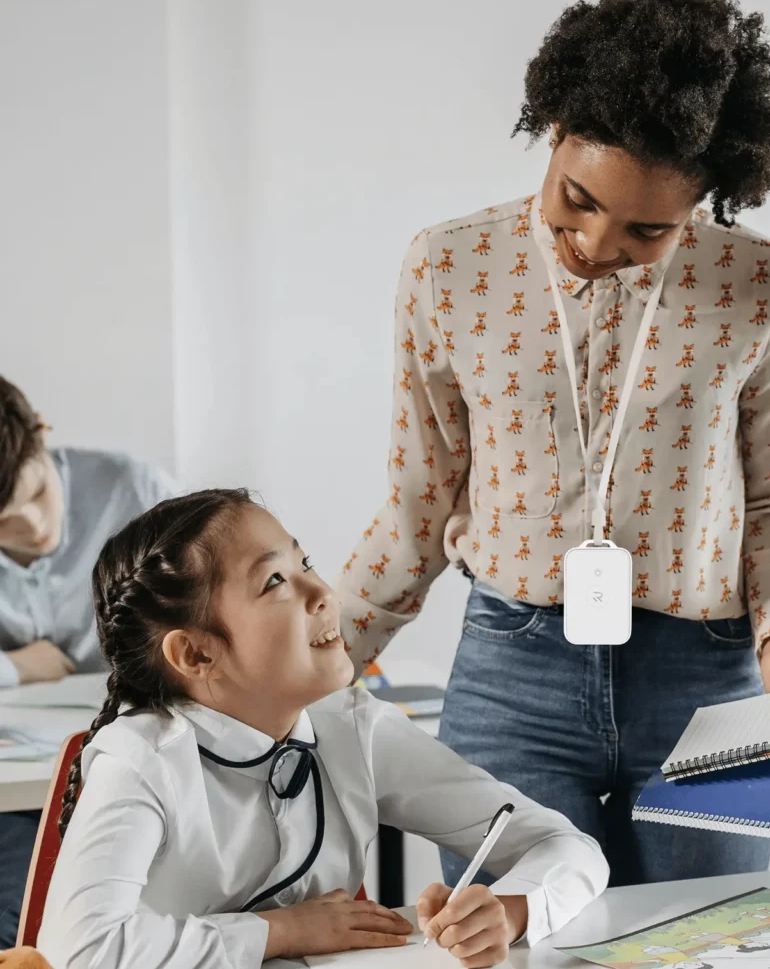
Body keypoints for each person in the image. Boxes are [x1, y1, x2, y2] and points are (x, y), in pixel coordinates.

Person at [337, 0, 770, 890]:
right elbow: (420, 502)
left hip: (704, 680)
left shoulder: (763, 286)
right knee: (516, 944)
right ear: (554, 129)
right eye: (577, 198)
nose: (598, 243)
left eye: (648, 228)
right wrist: (322, 657)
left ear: (704, 201)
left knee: (690, 944)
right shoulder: (450, 268)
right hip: (512, 672)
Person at [38, 489, 609, 969]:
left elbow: (566, 847)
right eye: (274, 582)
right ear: (196, 654)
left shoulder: (353, 727)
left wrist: (511, 911)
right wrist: (283, 931)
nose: (323, 595)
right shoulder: (142, 759)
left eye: (304, 563)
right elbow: (79, 951)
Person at [0, 376, 175, 949]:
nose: (33, 527)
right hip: (21, 791)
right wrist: (19, 667)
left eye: (37, 494)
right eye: (2, 522)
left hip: (137, 764)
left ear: (41, 433)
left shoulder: (135, 491)